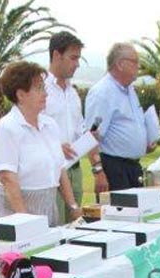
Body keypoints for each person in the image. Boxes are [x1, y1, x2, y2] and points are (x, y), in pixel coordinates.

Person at [0, 61, 81, 226]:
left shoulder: (50, 125)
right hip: (16, 211)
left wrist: (73, 207)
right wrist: (26, 221)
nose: (45, 94)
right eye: (39, 88)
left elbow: (60, 169)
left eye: (44, 88)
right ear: (20, 95)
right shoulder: (7, 127)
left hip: (48, 205)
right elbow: (7, 178)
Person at [45, 32, 106, 222]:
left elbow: (81, 132)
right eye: (73, 58)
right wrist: (55, 147)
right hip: (50, 172)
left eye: (78, 58)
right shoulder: (40, 89)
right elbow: (32, 132)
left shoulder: (72, 93)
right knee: (53, 231)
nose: (77, 64)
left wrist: (97, 168)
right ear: (56, 55)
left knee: (74, 228)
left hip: (75, 171)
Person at [84, 42, 157, 192]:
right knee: (120, 214)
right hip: (114, 169)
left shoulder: (129, 90)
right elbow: (91, 136)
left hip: (133, 169)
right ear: (120, 64)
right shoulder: (102, 93)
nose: (139, 66)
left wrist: (144, 144)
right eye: (135, 62)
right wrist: (98, 172)